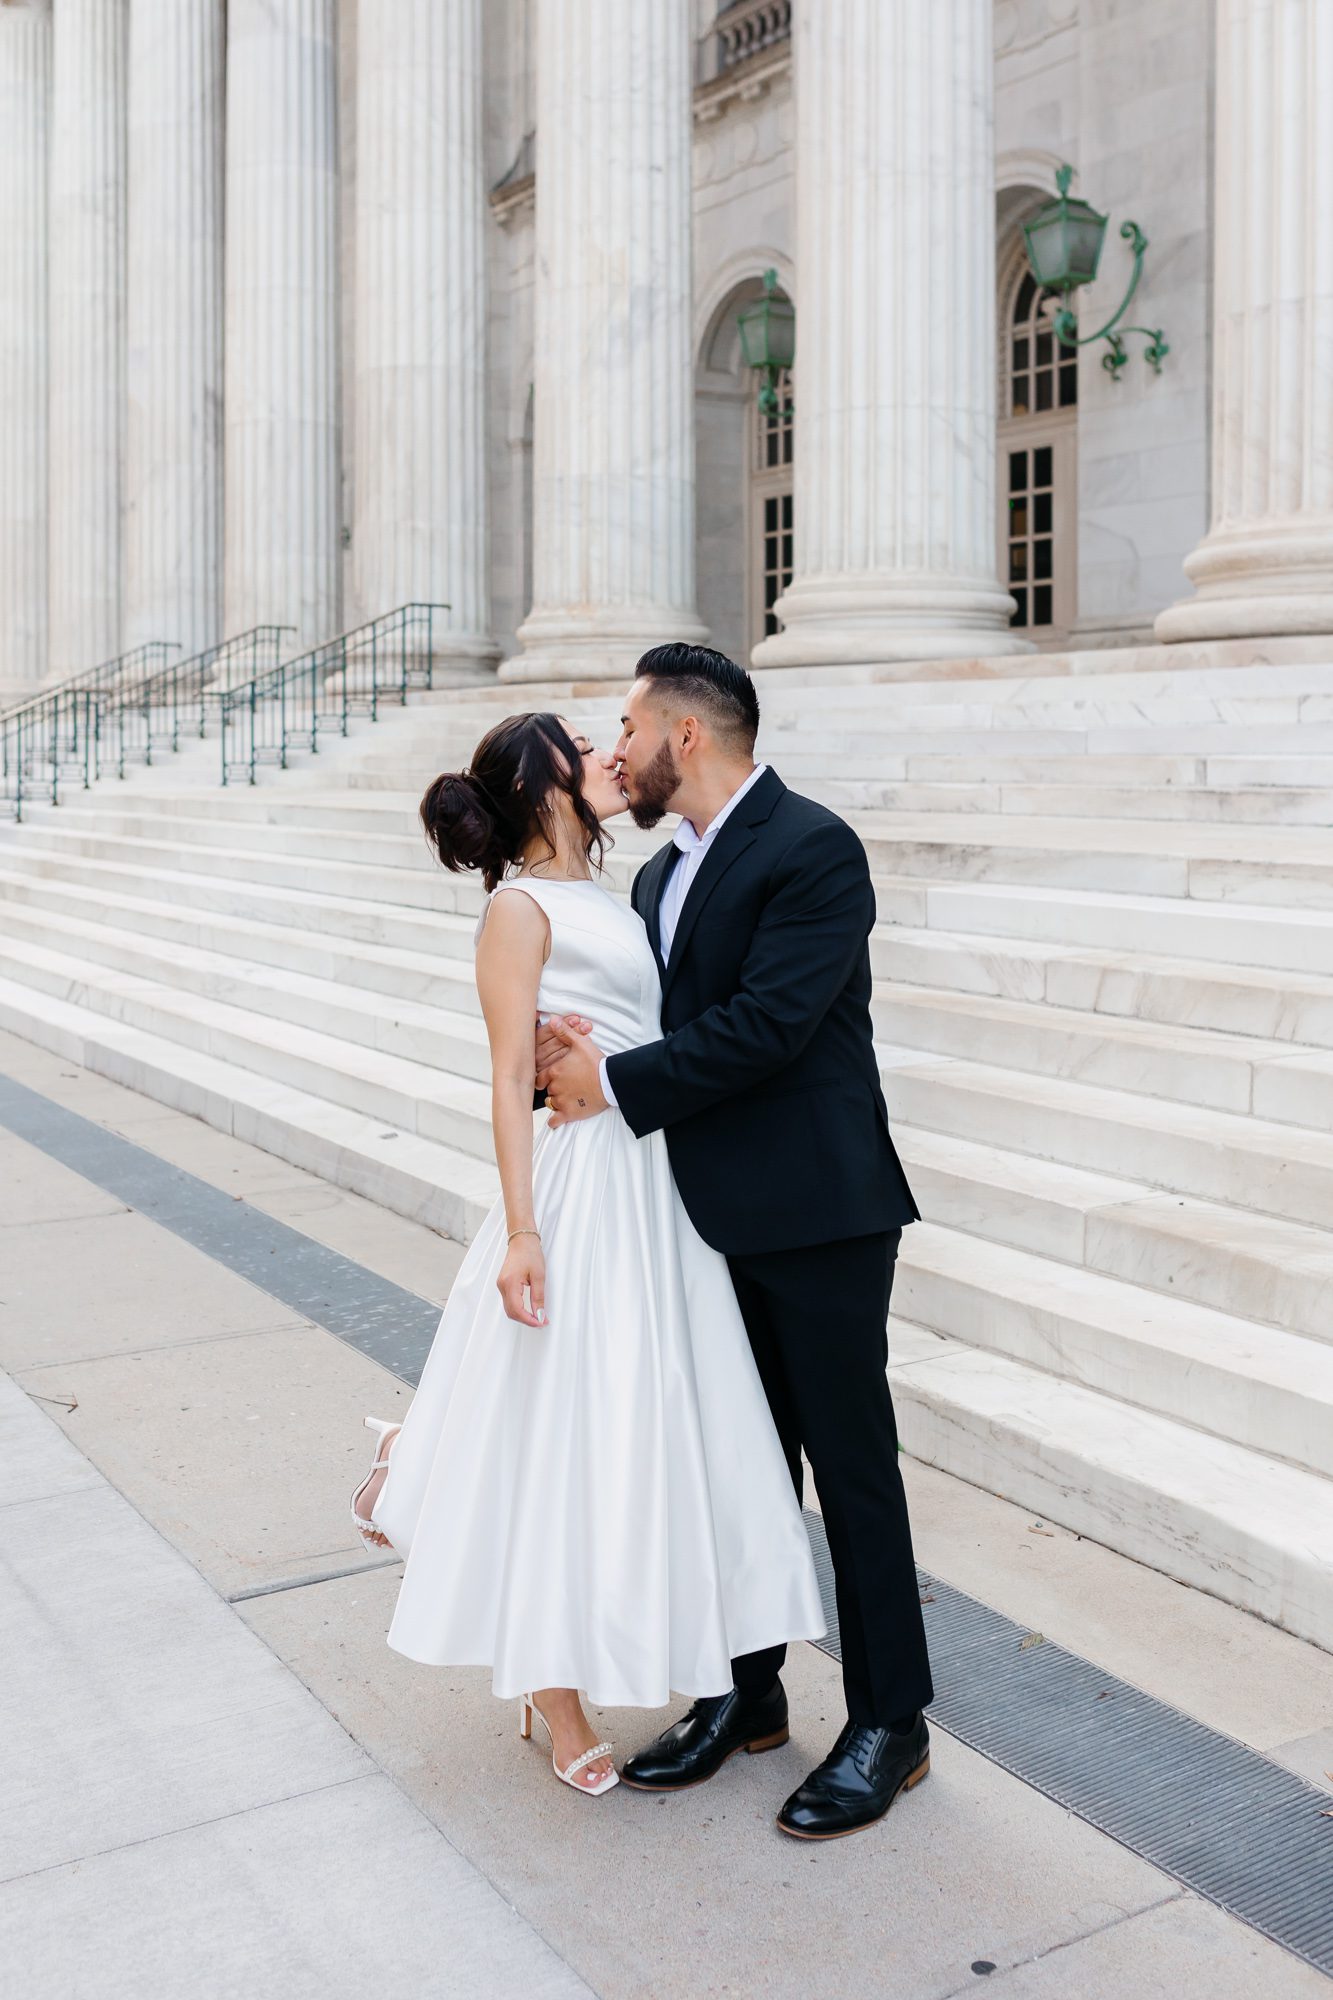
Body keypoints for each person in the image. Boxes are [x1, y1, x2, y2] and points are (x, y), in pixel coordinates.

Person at [347, 709, 826, 1797]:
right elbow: (509, 1078)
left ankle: (434, 1469)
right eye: (584, 743)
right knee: (565, 1429)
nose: (613, 752)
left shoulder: (622, 892)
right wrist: (522, 1230)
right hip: (576, 1193)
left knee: (642, 1423)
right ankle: (552, 1687)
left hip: (655, 1185)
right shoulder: (517, 910)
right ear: (542, 782)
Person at [539, 644, 933, 1840]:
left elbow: (768, 1024)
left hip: (819, 1212)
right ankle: (742, 1693)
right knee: (729, 1466)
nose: (617, 746)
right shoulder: (659, 877)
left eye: (627, 725)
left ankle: (889, 1720)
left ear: (685, 736)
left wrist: (610, 1081)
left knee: (850, 1468)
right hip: (700, 1221)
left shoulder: (813, 844)